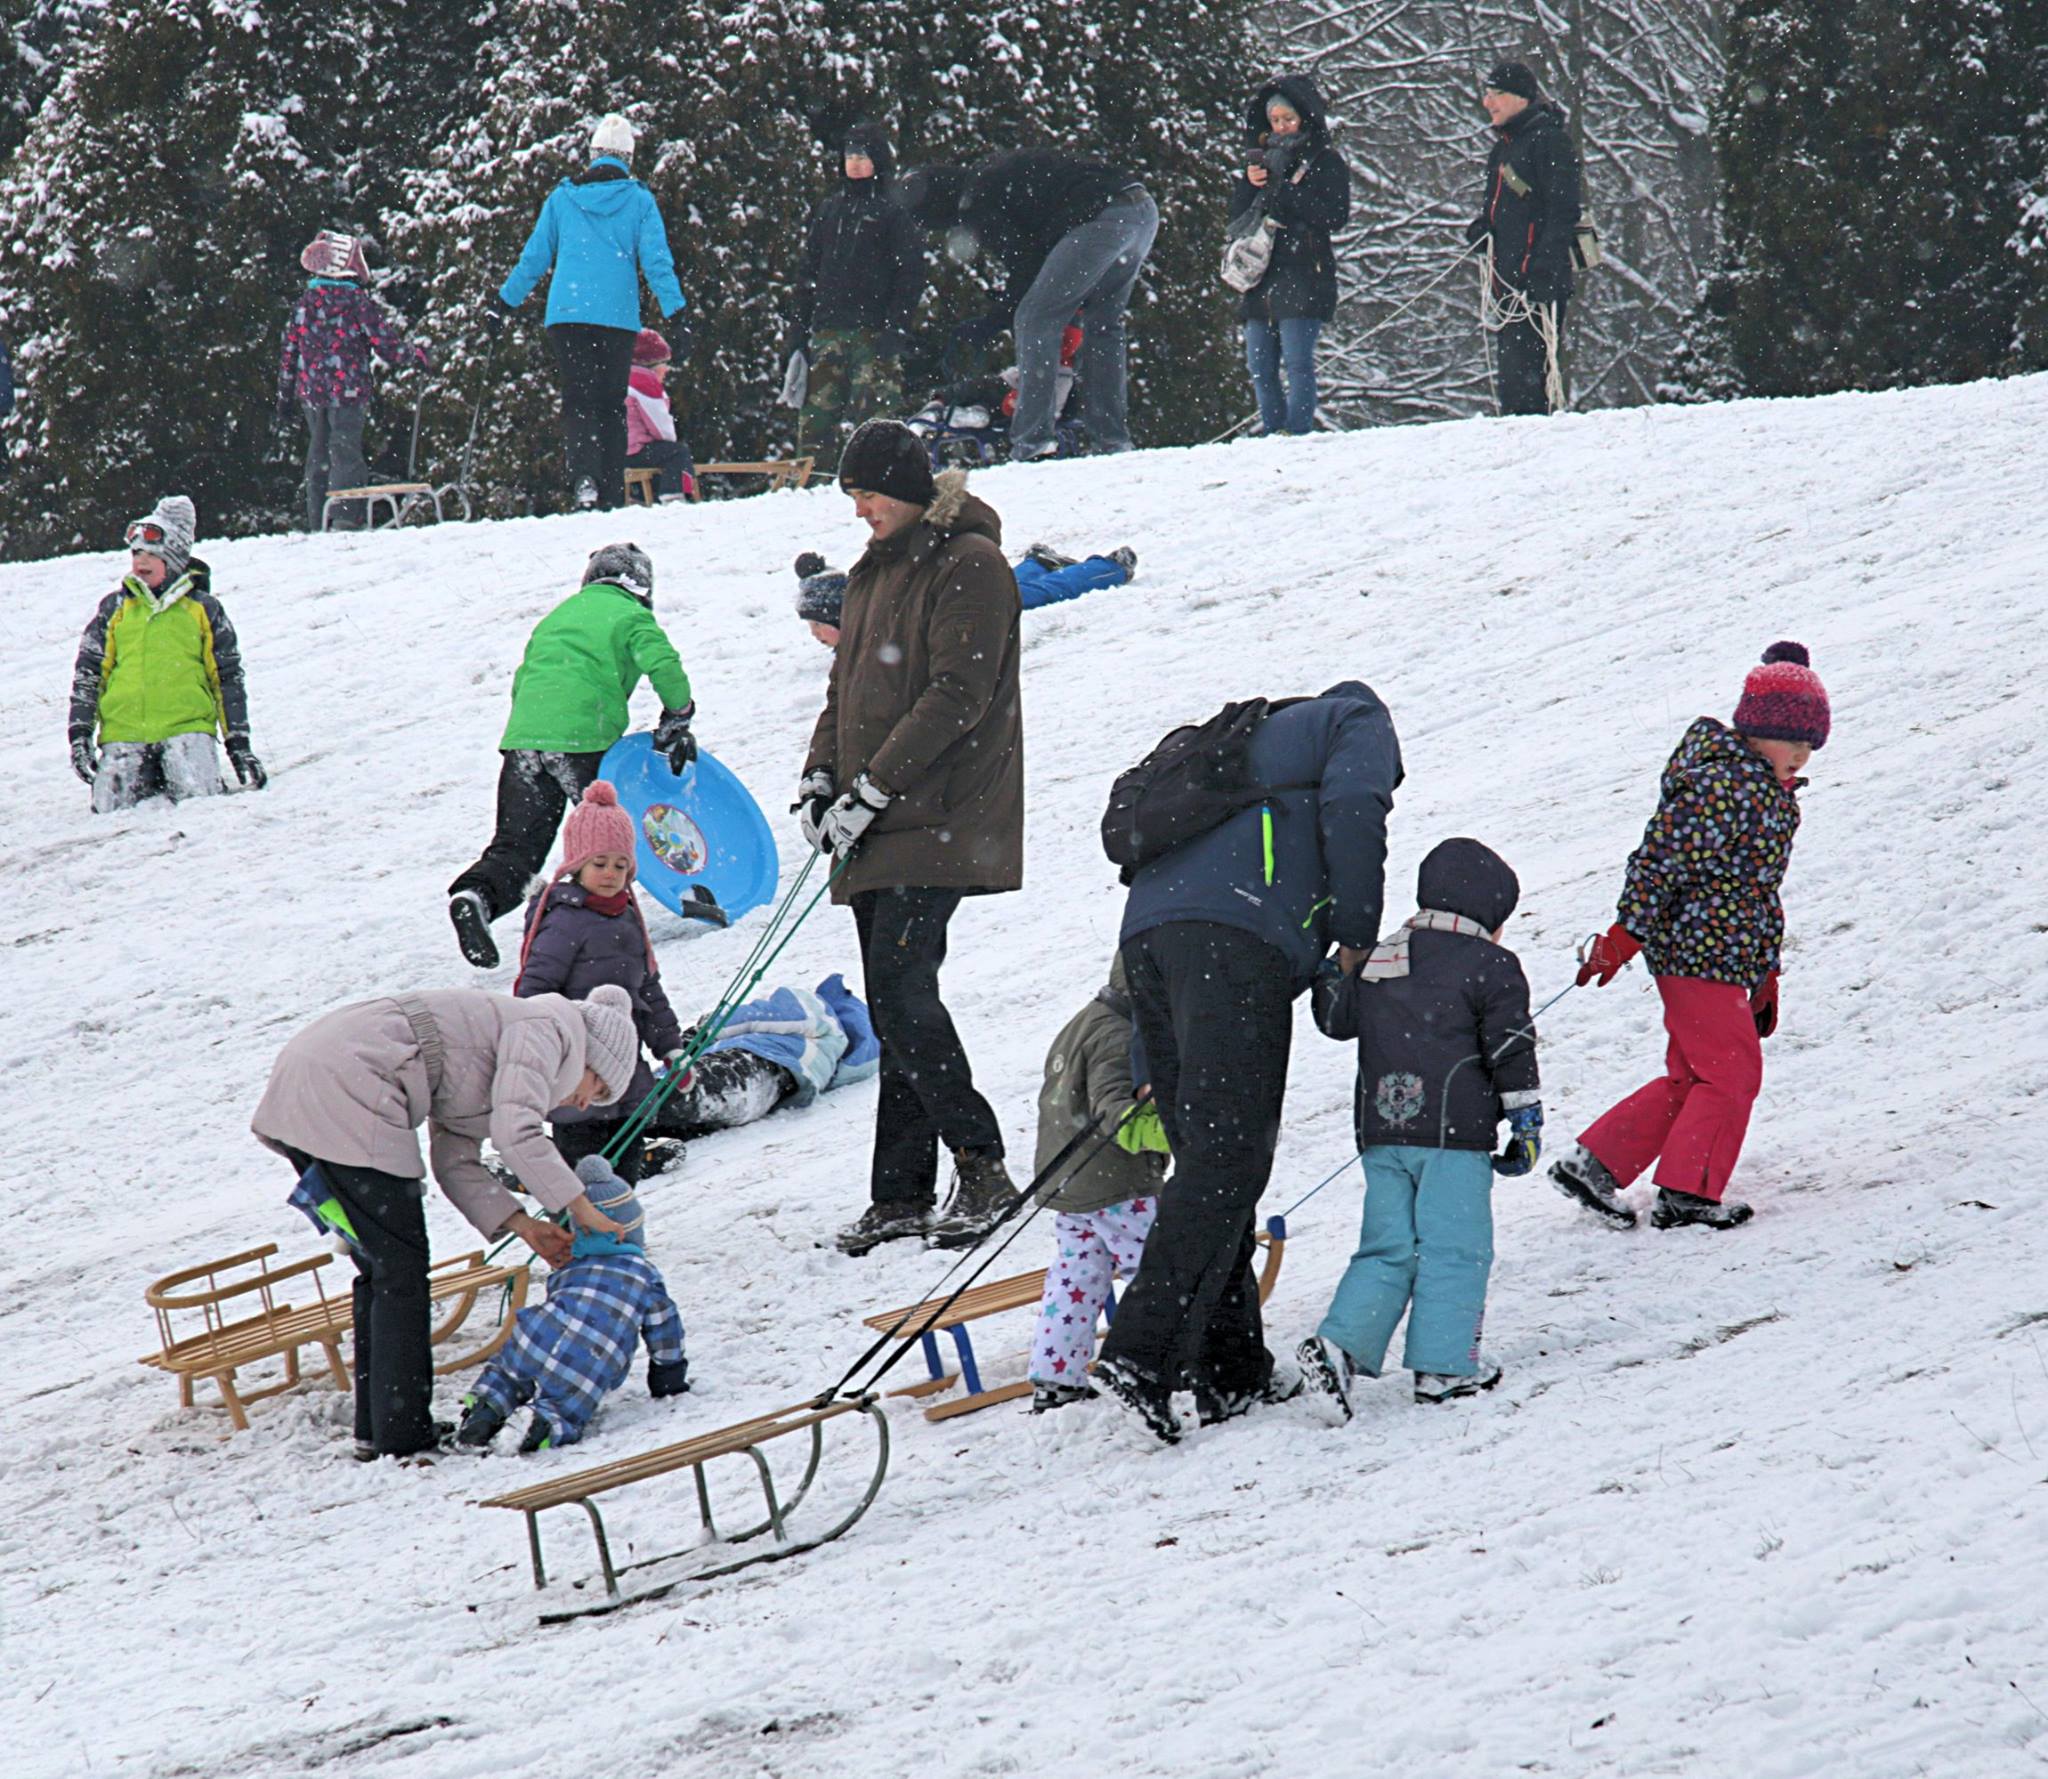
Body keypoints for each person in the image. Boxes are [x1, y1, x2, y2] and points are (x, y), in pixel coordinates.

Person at [1094, 682, 1403, 1444]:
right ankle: (1142, 1351)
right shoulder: (1355, 716)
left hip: (1149, 942)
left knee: (1207, 1158)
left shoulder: (1230, 749)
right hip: (1236, 936)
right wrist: (1356, 937)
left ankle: (1229, 1368)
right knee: (1228, 1158)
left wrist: (1144, 1050)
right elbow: (1358, 812)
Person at [796, 420, 1023, 1256]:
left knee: (900, 989)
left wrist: (873, 788)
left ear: (910, 488)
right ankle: (900, 1192)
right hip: (879, 819)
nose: (860, 510)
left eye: (870, 493)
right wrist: (822, 778)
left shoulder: (969, 563)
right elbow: (843, 689)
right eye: (853, 496)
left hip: (940, 814)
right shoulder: (870, 575)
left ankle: (984, 1163)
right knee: (895, 995)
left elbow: (957, 693)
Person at [252, 983, 642, 1458]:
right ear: (590, 1056)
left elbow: (456, 1159)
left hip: (319, 1076)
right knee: (400, 1271)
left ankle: (378, 1429)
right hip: (352, 1082)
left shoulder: (499, 1043)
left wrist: (523, 1225)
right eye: (597, 1088)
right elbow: (516, 1133)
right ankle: (401, 1432)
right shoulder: (547, 1030)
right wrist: (581, 1209)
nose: (584, 1104)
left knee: (384, 1268)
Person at [1551, 643, 1830, 1232]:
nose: (1802, 758)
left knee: (1696, 1079)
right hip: (1696, 952)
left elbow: (1757, 893)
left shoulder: (1766, 794)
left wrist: (1765, 970)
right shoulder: (1722, 788)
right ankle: (1686, 1192)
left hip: (1724, 955)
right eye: (1794, 743)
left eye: (1811, 748)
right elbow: (1658, 861)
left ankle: (1595, 1164)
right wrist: (1625, 934)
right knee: (1731, 1075)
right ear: (1755, 732)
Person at [1297, 838, 1541, 1417]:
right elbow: (1510, 1047)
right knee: (1455, 1249)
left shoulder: (1387, 955)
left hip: (1383, 1133)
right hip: (1453, 1139)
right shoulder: (1492, 965)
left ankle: (1340, 1345)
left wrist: (1335, 970)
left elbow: (1337, 1021)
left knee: (1388, 1248)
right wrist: (1524, 1119)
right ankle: (1443, 1368)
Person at [448, 543, 697, 969]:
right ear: (640, 587)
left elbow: (526, 678)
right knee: (609, 833)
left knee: (517, 845)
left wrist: (532, 732)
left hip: (525, 739)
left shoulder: (557, 618)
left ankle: (478, 896)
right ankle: (606, 924)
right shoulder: (630, 614)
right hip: (582, 737)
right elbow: (663, 662)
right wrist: (680, 710)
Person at [900, 152, 1158, 460]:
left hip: (1099, 219)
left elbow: (1026, 268)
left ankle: (1033, 442)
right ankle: (1112, 441)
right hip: (1139, 211)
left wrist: (989, 324)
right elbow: (1036, 260)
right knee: (1103, 326)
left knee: (1035, 320)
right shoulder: (992, 175)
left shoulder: (974, 202)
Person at [493, 113, 688, 511]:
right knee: (610, 403)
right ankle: (612, 490)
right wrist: (676, 310)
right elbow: (656, 262)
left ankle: (584, 478)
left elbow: (534, 258)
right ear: (628, 159)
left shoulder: (563, 199)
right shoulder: (639, 201)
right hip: (616, 317)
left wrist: (503, 303)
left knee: (578, 399)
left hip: (568, 314)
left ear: (593, 155)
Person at [512, 781, 692, 1182]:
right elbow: (535, 996)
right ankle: (580, 1241)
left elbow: (647, 991)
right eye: (600, 863)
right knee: (579, 1178)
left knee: (623, 1174)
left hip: (625, 1079)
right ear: (576, 865)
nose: (611, 874)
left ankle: (618, 1239)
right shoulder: (564, 920)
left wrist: (671, 1049)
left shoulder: (628, 916)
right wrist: (566, 1059)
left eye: (620, 865)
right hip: (575, 1085)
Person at [457, 1156, 691, 1451]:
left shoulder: (569, 1267)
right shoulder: (643, 1275)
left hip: (537, 1330)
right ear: (631, 1231)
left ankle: (486, 1408)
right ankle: (536, 1424)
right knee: (565, 1401)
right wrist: (668, 1378)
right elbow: (664, 1328)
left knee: (510, 1373)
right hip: (588, 1350)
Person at [1027, 957, 1170, 1412]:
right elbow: (1115, 1106)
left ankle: (1056, 1375)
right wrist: (1173, 1134)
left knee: (1076, 1278)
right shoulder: (1118, 1034)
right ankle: (1167, 1358)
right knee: (1161, 1271)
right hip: (1118, 1185)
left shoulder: (1085, 1020)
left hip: (1073, 1185)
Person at [67, 496, 265, 812]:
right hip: (125, 732)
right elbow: (89, 674)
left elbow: (226, 678)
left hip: (186, 729)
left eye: (151, 555)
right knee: (110, 808)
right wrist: (80, 736)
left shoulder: (203, 610)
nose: (140, 561)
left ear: (172, 560)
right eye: (136, 553)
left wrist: (238, 745)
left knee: (200, 804)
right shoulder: (114, 610)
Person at [787, 118, 925, 467]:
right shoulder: (830, 210)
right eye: (850, 155)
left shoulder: (893, 213)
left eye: (863, 156)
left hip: (874, 333)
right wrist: (798, 334)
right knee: (815, 424)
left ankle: (881, 482)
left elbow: (910, 274)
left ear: (878, 160)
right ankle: (811, 491)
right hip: (827, 332)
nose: (855, 163)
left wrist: (897, 326)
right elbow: (808, 272)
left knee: (877, 426)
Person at [275, 230, 429, 531]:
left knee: (317, 454)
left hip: (311, 394)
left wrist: (284, 395)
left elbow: (289, 351)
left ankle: (318, 517)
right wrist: (414, 356)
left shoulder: (305, 303)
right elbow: (385, 343)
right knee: (345, 450)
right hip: (348, 392)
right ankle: (346, 516)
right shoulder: (356, 301)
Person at [1231, 76, 1349, 436]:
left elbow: (1334, 216)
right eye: (1275, 120)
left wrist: (1287, 195)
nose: (1281, 127)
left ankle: (1296, 433)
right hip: (1261, 272)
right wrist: (1249, 186)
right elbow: (1235, 219)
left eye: (1289, 119)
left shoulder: (1325, 161)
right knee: (1259, 364)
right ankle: (1272, 431)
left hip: (1304, 269)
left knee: (1298, 362)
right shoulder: (1260, 162)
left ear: (1305, 118)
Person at [1465, 61, 1581, 417]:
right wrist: (1483, 229)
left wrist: (1542, 267)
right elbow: (1501, 209)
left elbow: (1563, 210)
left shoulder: (1549, 142)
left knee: (1531, 380)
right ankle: (1518, 446)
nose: (1488, 103)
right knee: (1513, 382)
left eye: (1496, 95)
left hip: (1538, 282)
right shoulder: (1503, 148)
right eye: (1486, 95)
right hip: (1508, 283)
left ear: (1520, 99)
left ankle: (1536, 450)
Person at [791, 536, 1135, 647]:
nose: (816, 636)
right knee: (1011, 586)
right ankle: (1038, 562)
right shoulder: (870, 614)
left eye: (818, 626)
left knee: (1045, 593)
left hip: (966, 601)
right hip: (959, 587)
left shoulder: (878, 624)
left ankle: (1109, 568)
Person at [624, 328, 694, 500]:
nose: (667, 371)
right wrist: (671, 440)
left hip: (617, 451)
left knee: (658, 457)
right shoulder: (644, 383)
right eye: (665, 366)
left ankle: (643, 497)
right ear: (653, 366)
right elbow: (661, 428)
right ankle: (676, 495)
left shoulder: (623, 378)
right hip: (635, 451)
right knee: (677, 453)